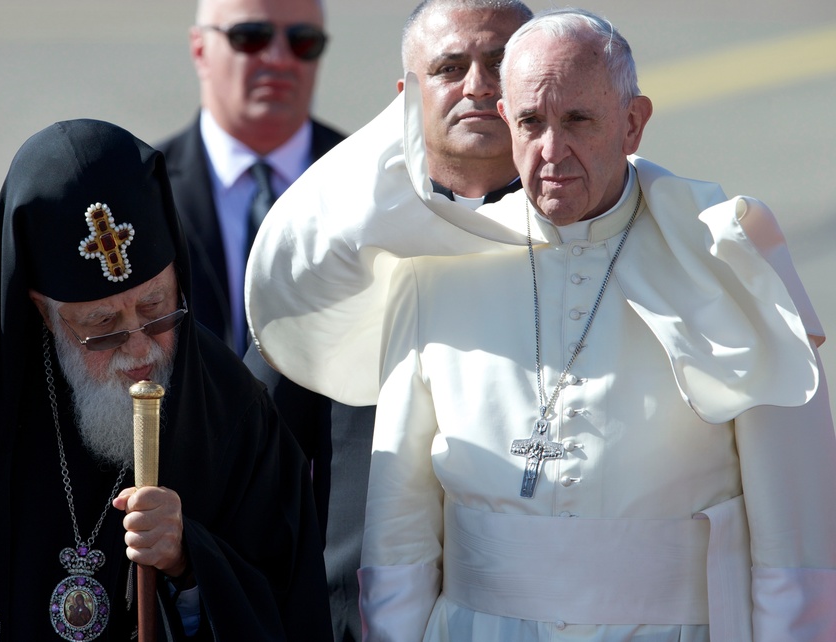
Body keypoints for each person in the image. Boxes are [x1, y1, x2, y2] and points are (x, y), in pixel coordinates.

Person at [246, 8, 836, 641]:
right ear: (508, 121)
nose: (552, 151)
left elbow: (794, 544)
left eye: (578, 120)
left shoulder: (723, 256)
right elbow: (400, 536)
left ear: (633, 123)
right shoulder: (435, 270)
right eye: (531, 122)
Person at [0, 119, 331, 641]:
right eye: (101, 326)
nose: (138, 349)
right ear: (41, 309)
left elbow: (292, 602)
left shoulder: (231, 412)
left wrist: (190, 563)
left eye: (156, 308)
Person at [242, 1, 532, 639]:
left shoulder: (592, 241)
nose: (478, 85)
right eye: (450, 67)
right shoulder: (340, 244)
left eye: (502, 65)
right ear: (408, 95)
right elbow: (246, 453)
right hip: (355, 621)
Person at [156, 0, 344, 355]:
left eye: (303, 41)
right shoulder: (143, 187)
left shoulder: (372, 180)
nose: (278, 58)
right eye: (250, 37)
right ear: (200, 49)